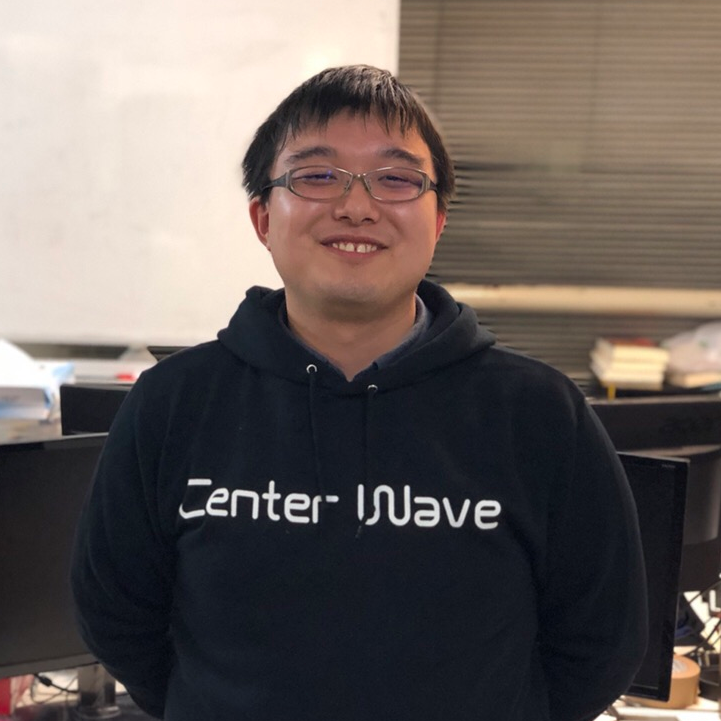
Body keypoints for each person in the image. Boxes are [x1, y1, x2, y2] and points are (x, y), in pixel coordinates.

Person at [71, 65, 647, 721]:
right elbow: (115, 614)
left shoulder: (539, 412)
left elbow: (601, 641)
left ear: (438, 220)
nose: (356, 205)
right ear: (263, 217)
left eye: (396, 179)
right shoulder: (173, 402)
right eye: (317, 176)